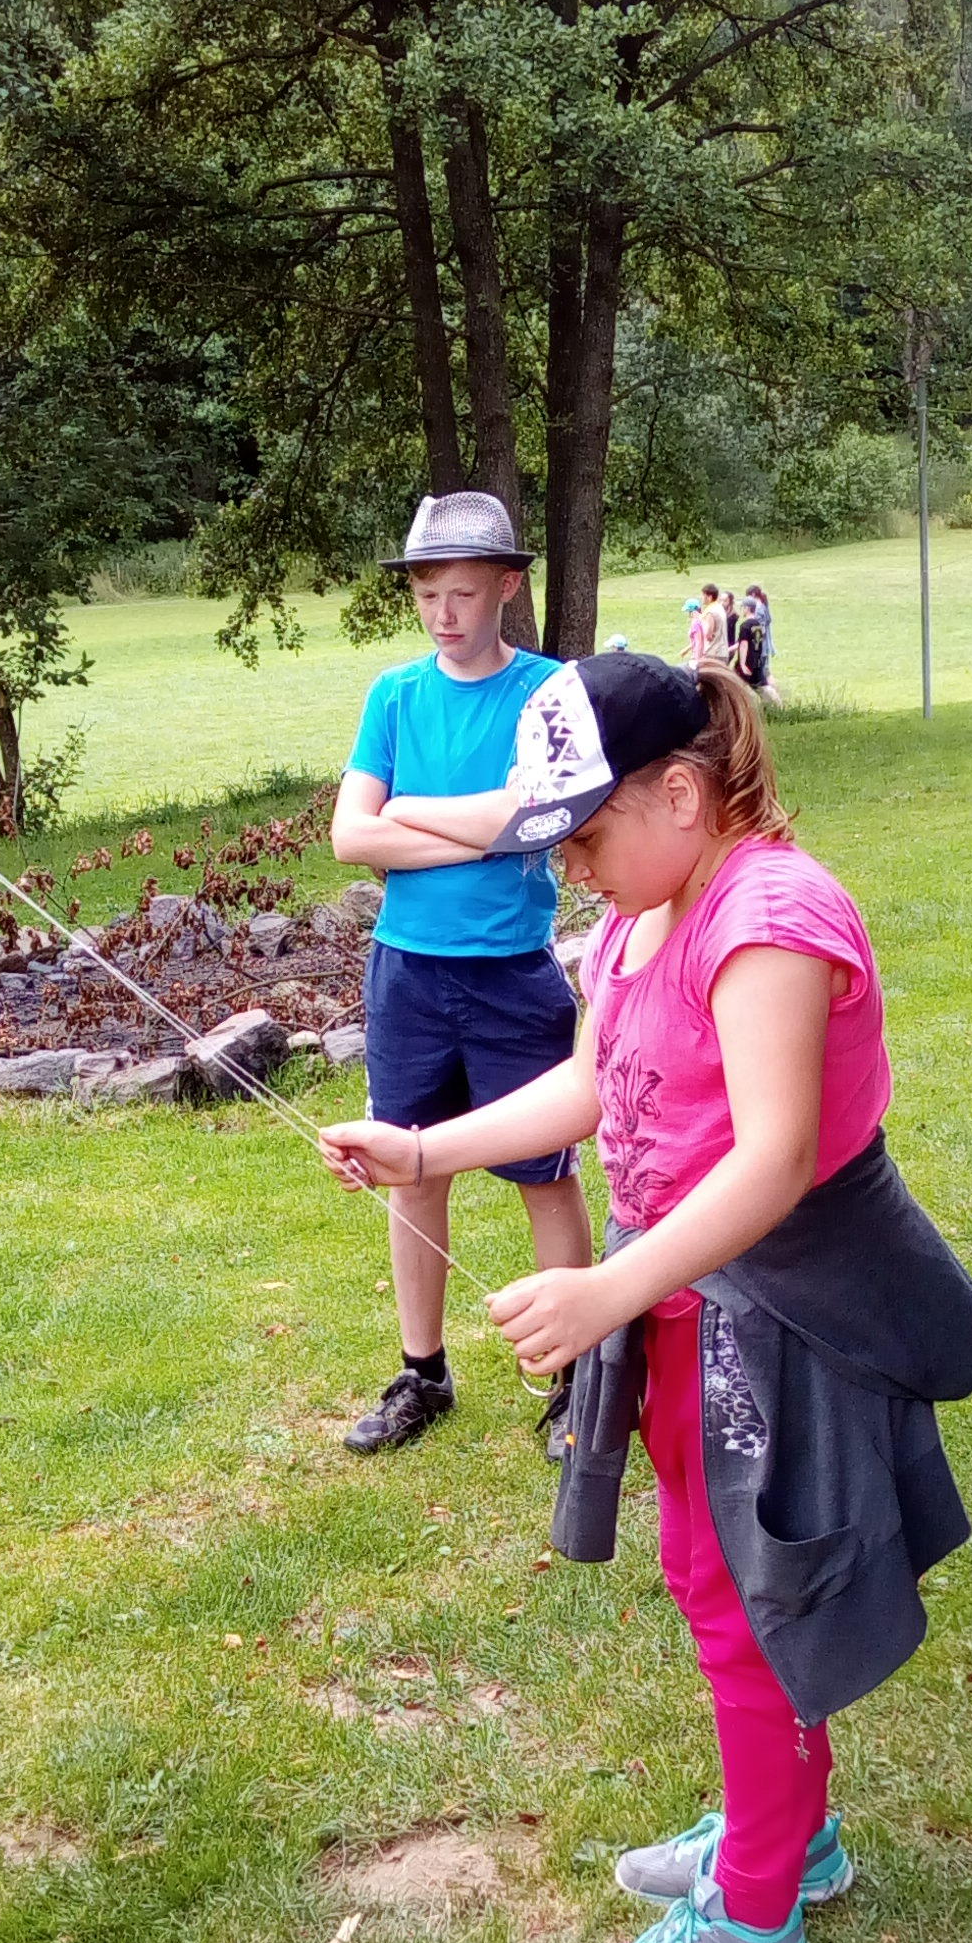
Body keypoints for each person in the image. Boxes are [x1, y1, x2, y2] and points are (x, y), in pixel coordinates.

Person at [321, 654, 972, 1943]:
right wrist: (422, 1148)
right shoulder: (641, 916)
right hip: (690, 1308)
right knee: (714, 1576)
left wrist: (606, 1290)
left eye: (583, 833)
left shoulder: (768, 918)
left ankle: (755, 1917)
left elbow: (776, 1159)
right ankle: (789, 1835)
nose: (568, 866)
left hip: (780, 1314)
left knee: (753, 1592)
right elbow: (590, 1083)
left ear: (681, 795)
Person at [330, 490, 592, 1454]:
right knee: (412, 1172)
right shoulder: (394, 696)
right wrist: (485, 828)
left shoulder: (548, 692)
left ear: (508, 588)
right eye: (427, 593)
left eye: (465, 593)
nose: (444, 614)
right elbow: (350, 836)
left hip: (511, 973)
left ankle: (576, 1381)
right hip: (406, 974)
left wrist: (411, 817)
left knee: (544, 1175)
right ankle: (422, 1373)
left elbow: (544, 818)